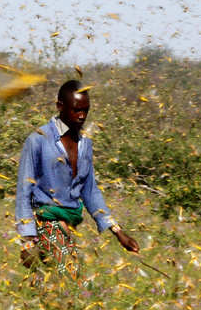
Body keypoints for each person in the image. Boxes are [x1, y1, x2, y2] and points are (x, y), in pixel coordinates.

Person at [15, 80, 139, 281]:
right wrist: (27, 238)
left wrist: (117, 232)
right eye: (76, 110)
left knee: (49, 282)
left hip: (70, 221)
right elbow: (24, 190)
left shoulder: (85, 144)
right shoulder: (38, 140)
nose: (81, 116)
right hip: (46, 220)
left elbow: (90, 191)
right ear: (60, 106)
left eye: (85, 110)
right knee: (71, 278)